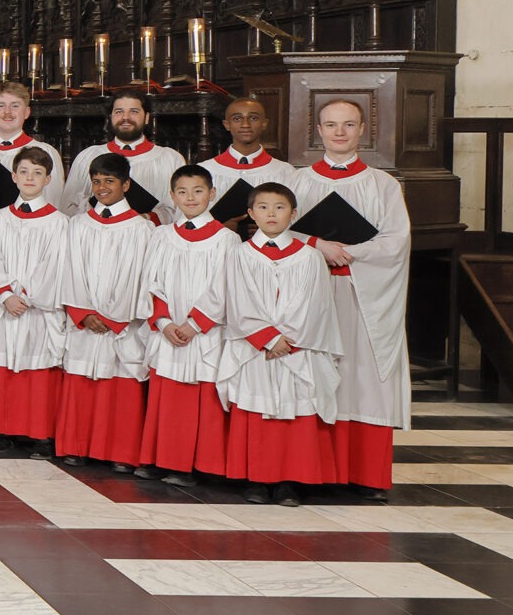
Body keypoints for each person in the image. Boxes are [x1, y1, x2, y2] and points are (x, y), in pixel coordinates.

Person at [295, 98, 411, 497]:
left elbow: (397, 242)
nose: (339, 132)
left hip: (364, 296)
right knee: (313, 377)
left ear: (363, 130)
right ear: (319, 130)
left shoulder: (383, 184)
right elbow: (275, 231)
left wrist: (347, 252)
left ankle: (366, 475)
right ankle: (312, 470)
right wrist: (316, 243)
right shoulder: (299, 182)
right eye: (330, 125)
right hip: (312, 295)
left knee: (362, 378)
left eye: (348, 125)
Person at [219, 181, 343, 507]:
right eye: (262, 207)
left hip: (296, 349)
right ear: (250, 213)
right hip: (256, 349)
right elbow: (238, 300)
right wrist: (267, 339)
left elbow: (316, 305)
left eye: (279, 207)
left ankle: (289, 482)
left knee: (294, 413)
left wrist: (289, 342)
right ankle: (256, 480)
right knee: (257, 411)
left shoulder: (310, 258)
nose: (271, 214)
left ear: (294, 214)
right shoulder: (239, 254)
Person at [135, 165, 234, 485]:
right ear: (172, 195)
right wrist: (163, 321)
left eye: (198, 191)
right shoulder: (162, 236)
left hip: (204, 333)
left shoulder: (226, 240)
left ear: (212, 194)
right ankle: (164, 458)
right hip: (168, 330)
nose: (190, 198)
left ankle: (199, 465)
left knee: (201, 396)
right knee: (167, 397)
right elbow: (151, 281)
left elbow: (227, 287)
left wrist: (196, 323)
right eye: (182, 192)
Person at [55, 153, 155, 471]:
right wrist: (82, 312)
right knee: (81, 381)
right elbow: (69, 269)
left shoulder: (141, 229)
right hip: (85, 319)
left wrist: (113, 317)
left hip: (120, 324)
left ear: (125, 184)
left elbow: (138, 277)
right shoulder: (79, 224)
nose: (101, 188)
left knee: (120, 385)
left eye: (109, 181)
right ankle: (77, 445)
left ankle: (120, 452)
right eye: (96, 181)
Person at [0, 147, 71, 455]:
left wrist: (29, 297)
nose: (30, 178)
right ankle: (1, 429)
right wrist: (5, 295)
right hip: (7, 306)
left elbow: (56, 265)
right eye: (24, 172)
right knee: (6, 365)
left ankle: (40, 434)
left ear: (48, 179)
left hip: (37, 309)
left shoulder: (59, 222)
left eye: (37, 173)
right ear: (14, 176)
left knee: (39, 368)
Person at [61, 93, 184, 224]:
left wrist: (145, 219)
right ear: (110, 117)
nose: (126, 117)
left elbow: (180, 211)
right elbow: (67, 208)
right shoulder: (87, 156)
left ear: (147, 117)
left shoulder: (170, 159)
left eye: (134, 111)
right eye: (119, 112)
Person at [0, 82, 65, 208]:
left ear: (26, 112)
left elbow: (54, 203)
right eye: (0, 105)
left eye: (15, 106)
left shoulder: (45, 152)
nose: (7, 112)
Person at [204, 97, 283, 233]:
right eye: (237, 119)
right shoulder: (205, 170)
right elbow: (187, 220)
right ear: (226, 124)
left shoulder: (284, 172)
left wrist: (270, 230)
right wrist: (219, 230)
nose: (245, 124)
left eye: (253, 118)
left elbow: (295, 220)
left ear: (264, 123)